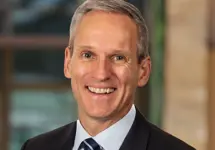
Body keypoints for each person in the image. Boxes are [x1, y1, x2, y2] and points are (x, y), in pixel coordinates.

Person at [21, 0, 195, 150]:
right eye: (88, 55)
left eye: (118, 57)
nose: (102, 73)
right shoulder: (36, 147)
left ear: (143, 71)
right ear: (68, 63)